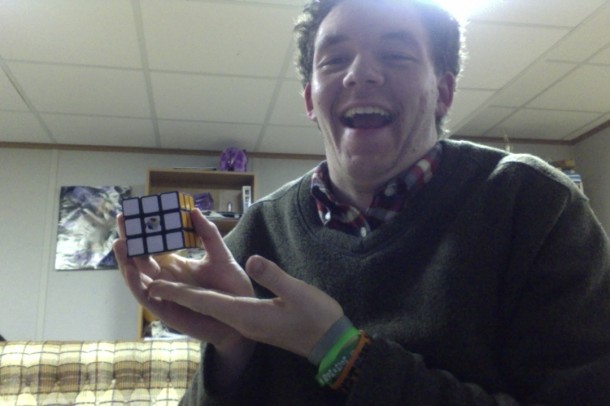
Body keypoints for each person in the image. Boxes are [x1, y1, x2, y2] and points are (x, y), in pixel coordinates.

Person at [114, 0, 610, 404]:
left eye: (396, 55)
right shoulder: (255, 234)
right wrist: (231, 349)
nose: (361, 73)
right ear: (310, 98)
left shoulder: (535, 205)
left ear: (442, 92)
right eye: (334, 59)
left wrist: (341, 353)